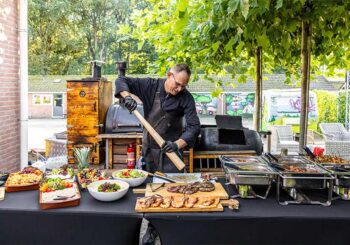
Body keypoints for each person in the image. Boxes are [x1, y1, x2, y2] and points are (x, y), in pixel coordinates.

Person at [115, 64, 200, 173]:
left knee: (171, 187)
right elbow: (121, 80)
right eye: (177, 84)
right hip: (148, 152)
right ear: (169, 75)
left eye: (183, 86)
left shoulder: (186, 98)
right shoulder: (151, 86)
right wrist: (127, 97)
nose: (179, 89)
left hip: (171, 154)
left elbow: (194, 127)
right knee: (149, 186)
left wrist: (176, 144)